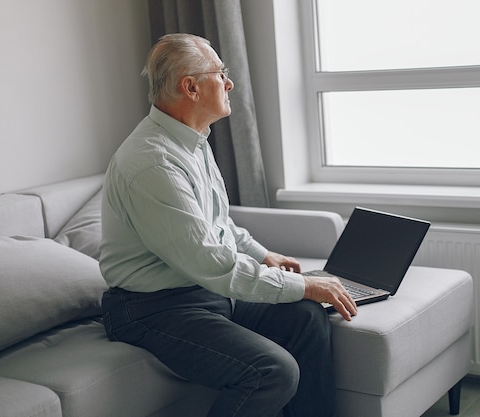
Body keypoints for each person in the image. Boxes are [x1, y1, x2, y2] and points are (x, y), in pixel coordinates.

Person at [98, 33, 357, 417]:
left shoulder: (192, 142)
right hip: (151, 308)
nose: (229, 82)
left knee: (305, 317)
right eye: (221, 73)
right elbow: (211, 263)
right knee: (272, 371)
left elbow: (215, 225)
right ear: (191, 87)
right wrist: (303, 284)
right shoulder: (153, 164)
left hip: (200, 291)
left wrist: (265, 255)